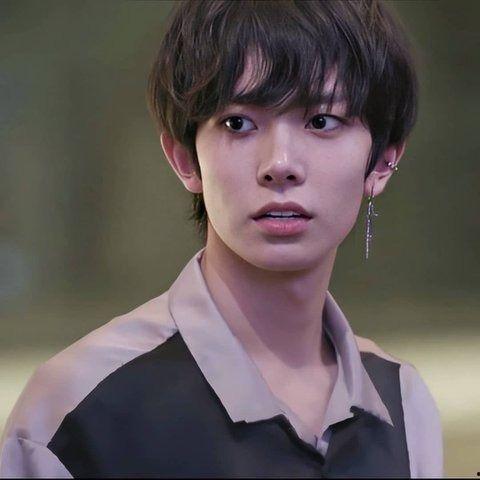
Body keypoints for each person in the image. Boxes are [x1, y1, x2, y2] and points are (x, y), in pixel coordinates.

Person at [0, 0, 444, 477]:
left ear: (383, 161)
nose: (280, 164)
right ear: (184, 158)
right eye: (238, 123)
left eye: (321, 121)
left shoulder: (402, 403)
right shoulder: (77, 412)